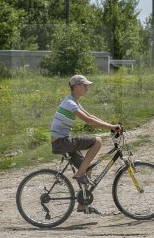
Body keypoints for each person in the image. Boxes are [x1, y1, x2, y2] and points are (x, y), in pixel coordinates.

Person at [50, 75, 121, 211]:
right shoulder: (70, 103)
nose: (87, 88)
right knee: (97, 141)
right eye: (85, 85)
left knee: (87, 168)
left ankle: (83, 204)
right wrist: (111, 127)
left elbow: (90, 116)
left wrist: (111, 125)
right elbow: (88, 121)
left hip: (62, 141)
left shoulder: (74, 101)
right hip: (61, 142)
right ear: (76, 87)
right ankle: (79, 174)